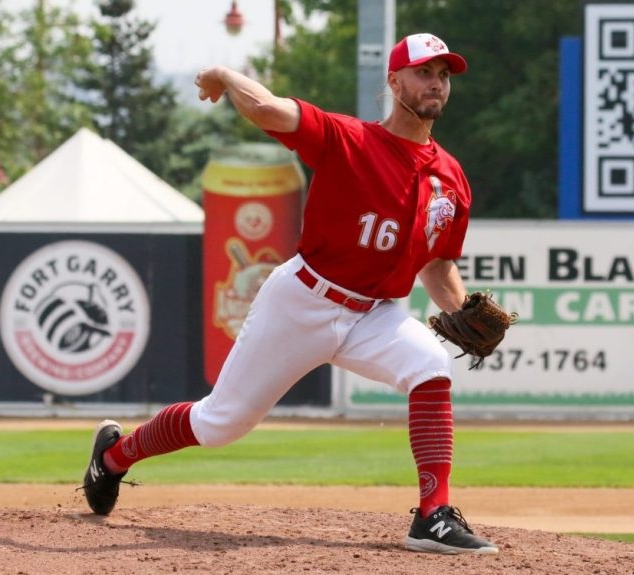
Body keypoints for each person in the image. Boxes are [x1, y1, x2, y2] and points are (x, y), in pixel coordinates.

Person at [82, 32, 498, 556]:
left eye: (443, 75)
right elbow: (270, 111)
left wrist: (462, 310)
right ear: (394, 81)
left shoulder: (451, 177)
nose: (436, 82)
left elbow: (437, 266)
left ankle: (433, 516)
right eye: (423, 72)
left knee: (431, 364)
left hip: (375, 315)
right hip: (303, 301)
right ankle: (114, 457)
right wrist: (227, 76)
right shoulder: (350, 139)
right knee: (220, 424)